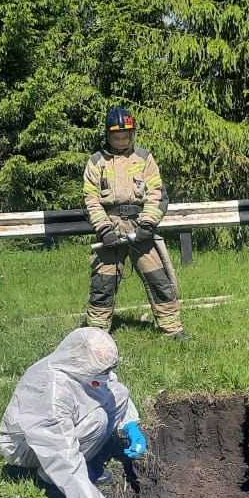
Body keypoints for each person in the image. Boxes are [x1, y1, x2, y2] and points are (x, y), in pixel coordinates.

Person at [0, 328, 147, 498]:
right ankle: (47, 479)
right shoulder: (52, 394)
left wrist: (130, 425)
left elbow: (112, 389)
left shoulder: (80, 366)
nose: (104, 378)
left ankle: (84, 467)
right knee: (98, 420)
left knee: (115, 395)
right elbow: (62, 458)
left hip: (58, 434)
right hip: (27, 447)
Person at [82, 107, 184, 339]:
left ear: (132, 135)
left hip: (140, 227)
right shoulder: (96, 162)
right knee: (102, 284)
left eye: (126, 136)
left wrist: (147, 226)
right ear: (107, 136)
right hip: (109, 227)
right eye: (116, 137)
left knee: (159, 280)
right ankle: (96, 334)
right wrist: (104, 229)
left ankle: (172, 329)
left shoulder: (144, 158)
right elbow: (90, 200)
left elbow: (157, 194)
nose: (121, 141)